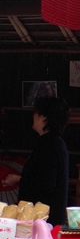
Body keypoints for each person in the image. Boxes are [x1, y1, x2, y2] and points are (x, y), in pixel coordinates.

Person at [2, 97, 70, 226]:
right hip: (47, 219)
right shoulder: (54, 142)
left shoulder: (49, 144)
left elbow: (46, 184)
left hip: (44, 222)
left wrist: (19, 180)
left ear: (44, 117)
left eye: (36, 112)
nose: (33, 116)